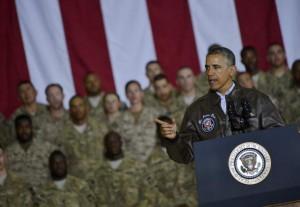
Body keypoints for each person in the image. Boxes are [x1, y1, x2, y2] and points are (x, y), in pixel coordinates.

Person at [156, 47, 284, 164]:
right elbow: (185, 156)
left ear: (231, 70)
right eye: (207, 68)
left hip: (258, 175)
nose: (210, 73)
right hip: (220, 184)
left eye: (216, 67)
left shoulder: (257, 99)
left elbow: (279, 138)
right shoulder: (196, 110)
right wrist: (174, 140)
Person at [87, 131, 148, 207]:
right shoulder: (96, 170)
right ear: (105, 145)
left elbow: (148, 194)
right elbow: (90, 198)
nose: (113, 144)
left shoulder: (138, 167)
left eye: (115, 141)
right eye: (109, 142)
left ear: (121, 143)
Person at [62, 95, 108, 178]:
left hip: (101, 178)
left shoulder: (100, 128)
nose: (78, 109)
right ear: (70, 110)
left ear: (86, 108)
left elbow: (108, 152)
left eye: (80, 105)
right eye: (74, 107)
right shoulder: (63, 133)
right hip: (77, 183)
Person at [6, 115, 57, 188]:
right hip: (18, 196)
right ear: (16, 130)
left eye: (27, 127)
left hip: (45, 195)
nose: (24, 130)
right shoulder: (8, 152)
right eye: (20, 127)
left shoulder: (48, 149)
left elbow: (58, 174)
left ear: (32, 128)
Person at [115, 80, 159, 161]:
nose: (133, 94)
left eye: (136, 90)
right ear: (126, 95)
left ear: (141, 93)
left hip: (155, 160)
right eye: (130, 92)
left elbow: (162, 138)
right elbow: (120, 143)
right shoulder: (120, 119)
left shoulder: (155, 113)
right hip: (131, 164)